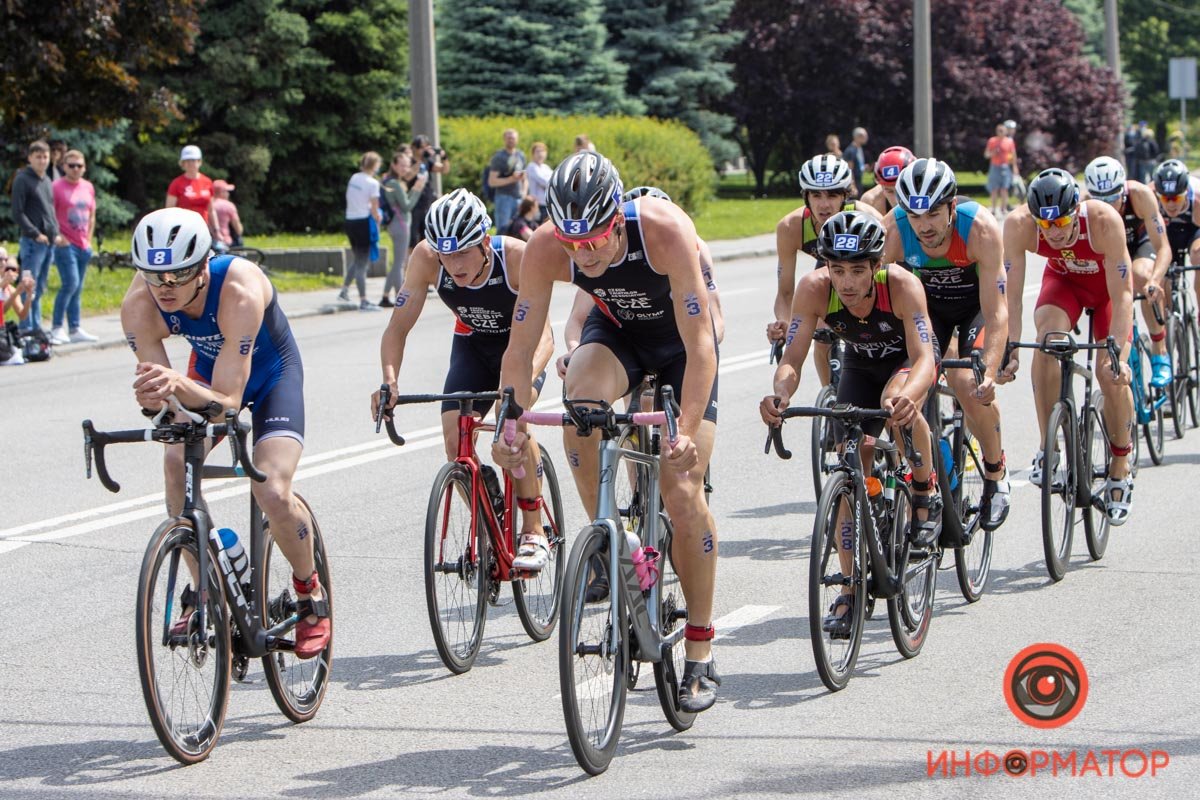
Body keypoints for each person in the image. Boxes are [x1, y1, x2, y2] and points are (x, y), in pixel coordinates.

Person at [492, 152, 721, 713]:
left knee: (682, 490)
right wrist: (510, 421)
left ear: (617, 220)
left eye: (595, 239)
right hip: (617, 335)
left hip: (679, 349)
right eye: (574, 242)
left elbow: (701, 346)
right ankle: (612, 536)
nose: (584, 254)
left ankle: (700, 647)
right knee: (580, 408)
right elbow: (520, 350)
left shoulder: (664, 232)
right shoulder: (549, 246)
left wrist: (685, 430)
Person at [120, 207, 329, 658]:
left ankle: (309, 591)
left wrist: (176, 386)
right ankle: (207, 590)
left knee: (271, 489)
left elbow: (228, 402)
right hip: (209, 375)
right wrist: (156, 400)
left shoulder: (239, 288)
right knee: (176, 461)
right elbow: (167, 401)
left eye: (177, 276)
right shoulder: (139, 305)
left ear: (202, 267)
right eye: (154, 277)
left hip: (272, 377)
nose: (165, 288)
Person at [760, 212, 940, 634]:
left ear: (875, 266)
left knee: (893, 402)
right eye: (837, 269)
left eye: (858, 270)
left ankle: (922, 487)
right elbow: (792, 359)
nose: (847, 281)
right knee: (847, 465)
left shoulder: (901, 285)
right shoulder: (814, 289)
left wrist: (911, 398)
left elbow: (925, 358)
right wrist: (780, 394)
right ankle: (850, 586)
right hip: (860, 365)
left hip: (903, 365)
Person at [373, 189, 555, 570]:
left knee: (513, 428)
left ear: (484, 242)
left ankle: (534, 529)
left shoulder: (518, 258)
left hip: (522, 347)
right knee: (455, 439)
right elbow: (397, 328)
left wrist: (518, 392)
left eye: (462, 253)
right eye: (445, 253)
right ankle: (489, 515)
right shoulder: (426, 258)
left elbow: (545, 338)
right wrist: (389, 381)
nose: (452, 264)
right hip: (472, 344)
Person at [1000, 169, 1135, 526]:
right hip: (1065, 285)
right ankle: (1049, 447)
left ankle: (1121, 464)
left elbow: (1123, 294)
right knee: (1046, 343)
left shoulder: (1104, 222)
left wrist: (1118, 352)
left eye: (1061, 220)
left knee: (1111, 374)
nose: (1055, 231)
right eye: (1045, 225)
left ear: (1076, 210)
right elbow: (1011, 297)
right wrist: (1010, 348)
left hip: (1106, 293)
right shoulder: (1019, 225)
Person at [883, 158, 1011, 531]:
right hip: (928, 312)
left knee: (970, 385)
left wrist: (989, 367)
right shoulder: (894, 229)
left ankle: (995, 472)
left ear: (952, 207)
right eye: (915, 215)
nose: (923, 226)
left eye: (934, 214)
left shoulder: (980, 229)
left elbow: (997, 311)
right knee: (902, 399)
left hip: (975, 310)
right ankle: (936, 471)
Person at [557, 185, 725, 378]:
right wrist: (575, 350)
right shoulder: (606, 254)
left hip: (676, 336)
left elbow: (715, 320)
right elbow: (578, 317)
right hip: (628, 337)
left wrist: (697, 348)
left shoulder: (693, 248)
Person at [768, 155, 882, 387]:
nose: (824, 204)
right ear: (806, 197)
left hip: (867, 279)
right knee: (822, 336)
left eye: (832, 195)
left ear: (844, 196)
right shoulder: (791, 227)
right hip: (828, 269)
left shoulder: (868, 218)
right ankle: (830, 397)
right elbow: (786, 292)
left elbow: (887, 275)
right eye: (816, 195)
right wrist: (784, 321)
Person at [1084, 156, 1173, 387]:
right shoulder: (1084, 205)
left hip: (1140, 245)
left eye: (1113, 199)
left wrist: (1155, 280)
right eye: (1100, 200)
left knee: (1141, 274)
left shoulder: (1141, 195)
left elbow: (1163, 246)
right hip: (1111, 251)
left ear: (1123, 190)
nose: (1108, 206)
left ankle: (1159, 350)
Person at [49, 149, 99, 345]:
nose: (76, 169)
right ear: (64, 166)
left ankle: (75, 327)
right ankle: (56, 327)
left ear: (84, 167)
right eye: (71, 165)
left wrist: (89, 240)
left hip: (82, 245)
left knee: (77, 287)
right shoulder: (56, 187)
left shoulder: (88, 187)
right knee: (70, 283)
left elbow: (92, 214)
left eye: (79, 165)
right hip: (65, 244)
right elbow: (49, 214)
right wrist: (58, 236)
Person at [10, 140, 59, 334]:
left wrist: (55, 233)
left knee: (39, 287)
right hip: (32, 242)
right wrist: (35, 233)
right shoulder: (23, 179)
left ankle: (36, 327)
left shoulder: (46, 180)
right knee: (28, 285)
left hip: (49, 242)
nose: (42, 160)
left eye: (45, 156)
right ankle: (26, 327)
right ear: (30, 158)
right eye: (38, 156)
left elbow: (49, 210)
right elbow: (17, 212)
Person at [379, 151, 428, 307]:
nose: (406, 168)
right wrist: (417, 188)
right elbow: (407, 206)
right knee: (399, 263)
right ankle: (401, 298)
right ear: (393, 165)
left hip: (395, 224)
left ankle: (386, 296)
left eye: (407, 165)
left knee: (397, 262)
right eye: (402, 165)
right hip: (400, 224)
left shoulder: (389, 181)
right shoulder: (394, 183)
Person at [339, 151, 383, 311]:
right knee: (362, 263)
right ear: (375, 165)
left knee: (357, 258)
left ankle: (344, 290)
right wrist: (378, 219)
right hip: (363, 222)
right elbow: (374, 207)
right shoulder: (373, 183)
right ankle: (363, 300)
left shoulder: (354, 178)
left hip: (350, 221)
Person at [1152, 159, 1200, 275]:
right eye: (1165, 198)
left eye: (1176, 198)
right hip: (1162, 229)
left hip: (1193, 229)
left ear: (1186, 192)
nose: (1171, 204)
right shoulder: (1149, 195)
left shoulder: (1197, 199)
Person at [409, 135, 451, 251]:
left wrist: (443, 156)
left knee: (425, 238)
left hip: (426, 204)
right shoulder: (409, 161)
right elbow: (408, 176)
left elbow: (445, 170)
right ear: (414, 147)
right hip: (413, 205)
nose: (423, 150)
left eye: (426, 148)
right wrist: (419, 161)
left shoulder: (427, 162)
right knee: (412, 240)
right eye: (421, 147)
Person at [165, 145, 219, 235]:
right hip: (182, 228)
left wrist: (216, 229)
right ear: (182, 163)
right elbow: (169, 209)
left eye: (193, 160)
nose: (190, 163)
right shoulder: (176, 183)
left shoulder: (207, 182)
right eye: (187, 161)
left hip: (203, 227)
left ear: (199, 162)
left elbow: (211, 210)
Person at [488, 128, 527, 234]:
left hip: (518, 198)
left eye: (513, 138)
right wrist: (511, 179)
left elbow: (525, 178)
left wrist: (524, 194)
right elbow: (492, 181)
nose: (511, 140)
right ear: (504, 139)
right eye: (509, 138)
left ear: (517, 139)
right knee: (503, 230)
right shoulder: (499, 157)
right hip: (503, 198)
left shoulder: (521, 155)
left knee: (517, 229)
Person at [1, 250, 34, 365]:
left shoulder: (10, 289)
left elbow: (22, 315)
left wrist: (29, 295)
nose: (9, 271)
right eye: (7, 268)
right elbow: (2, 310)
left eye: (13, 269)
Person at [860, 146, 915, 216]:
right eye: (890, 191)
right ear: (881, 186)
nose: (896, 200)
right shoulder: (871, 202)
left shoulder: (927, 195)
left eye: (903, 189)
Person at [984, 123, 1016, 218]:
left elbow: (1013, 155)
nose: (1000, 132)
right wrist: (992, 153)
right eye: (999, 131)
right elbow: (986, 154)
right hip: (995, 166)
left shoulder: (1009, 142)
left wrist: (1014, 166)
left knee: (1004, 189)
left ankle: (1003, 208)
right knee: (994, 189)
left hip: (1005, 167)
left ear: (1005, 131)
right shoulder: (992, 141)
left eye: (1002, 131)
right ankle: (993, 208)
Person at [211, 179, 243, 252]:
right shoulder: (228, 205)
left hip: (209, 243)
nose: (228, 194)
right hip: (224, 242)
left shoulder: (208, 205)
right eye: (226, 191)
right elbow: (238, 229)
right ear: (221, 192)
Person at [526, 142, 552, 222]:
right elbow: (545, 182)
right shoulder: (531, 166)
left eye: (542, 151)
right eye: (538, 151)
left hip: (547, 204)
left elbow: (554, 180)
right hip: (537, 204)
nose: (540, 154)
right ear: (533, 154)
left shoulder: (546, 167)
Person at [842, 127, 870, 197]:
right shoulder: (850, 151)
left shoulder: (859, 148)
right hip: (855, 183)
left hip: (860, 181)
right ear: (858, 136)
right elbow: (849, 169)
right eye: (864, 136)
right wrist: (853, 186)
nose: (867, 138)